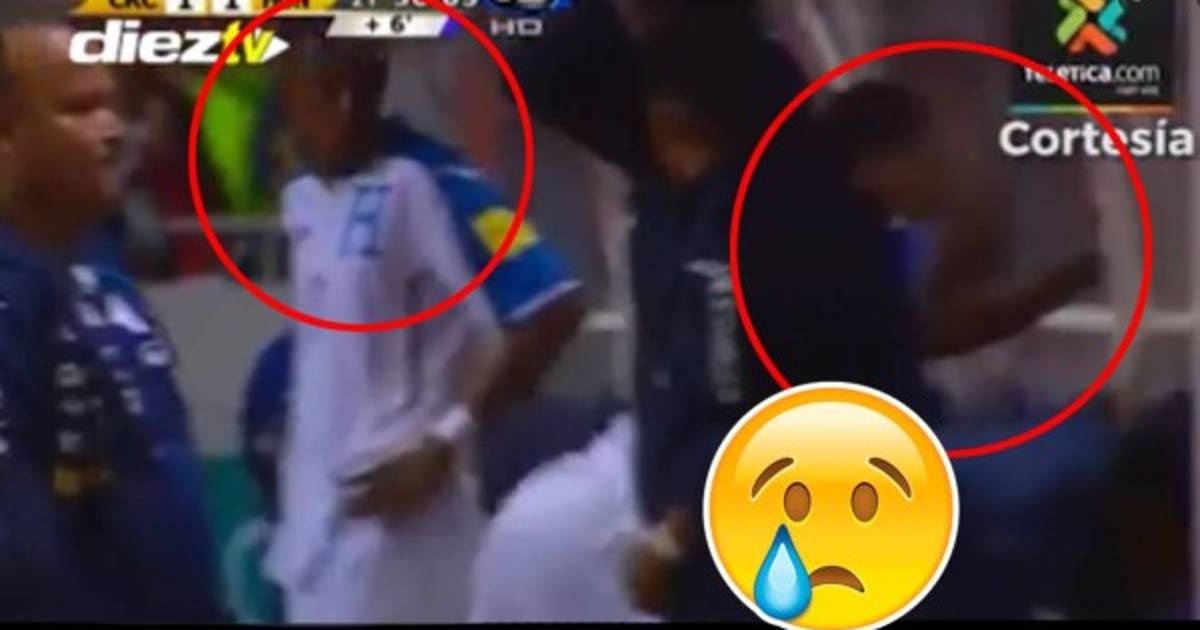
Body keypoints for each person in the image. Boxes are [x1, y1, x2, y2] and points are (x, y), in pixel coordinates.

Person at [268, 36, 584, 623]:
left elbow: (554, 304)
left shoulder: (434, 180)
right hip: (315, 526)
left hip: (402, 531)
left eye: (296, 95)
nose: (291, 123)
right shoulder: (303, 198)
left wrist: (444, 441)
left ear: (347, 93)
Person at [0, 19, 221, 621]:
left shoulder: (111, 286)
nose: (114, 130)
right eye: (80, 109)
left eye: (113, 106)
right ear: (7, 136)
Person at [816, 81, 1102, 362]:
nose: (943, 169)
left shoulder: (848, 236)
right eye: (931, 152)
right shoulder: (839, 252)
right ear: (877, 164)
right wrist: (1070, 279)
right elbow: (926, 334)